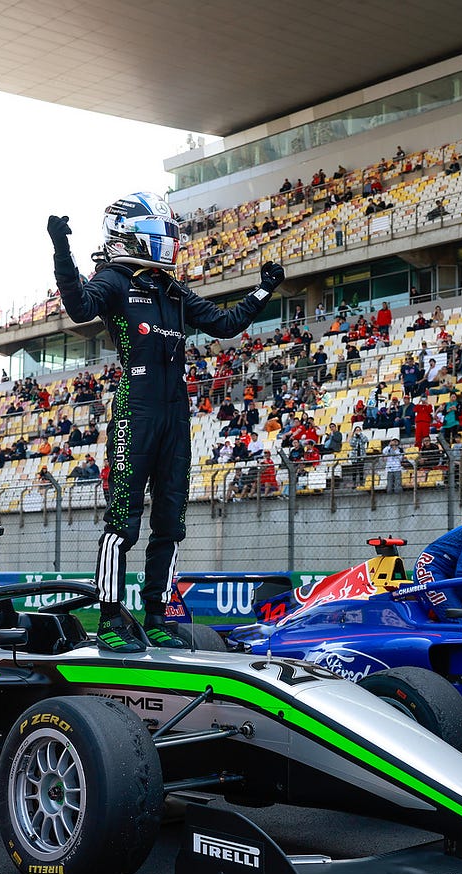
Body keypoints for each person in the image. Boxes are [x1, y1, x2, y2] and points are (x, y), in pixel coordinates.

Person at [50, 192, 283, 651]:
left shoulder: (172, 291)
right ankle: (111, 619)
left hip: (177, 415)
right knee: (123, 523)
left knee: (171, 524)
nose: (169, 245)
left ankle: (156, 615)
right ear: (133, 236)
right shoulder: (113, 279)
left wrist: (263, 289)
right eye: (161, 236)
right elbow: (79, 307)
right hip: (135, 411)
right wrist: (61, 249)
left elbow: (224, 323)